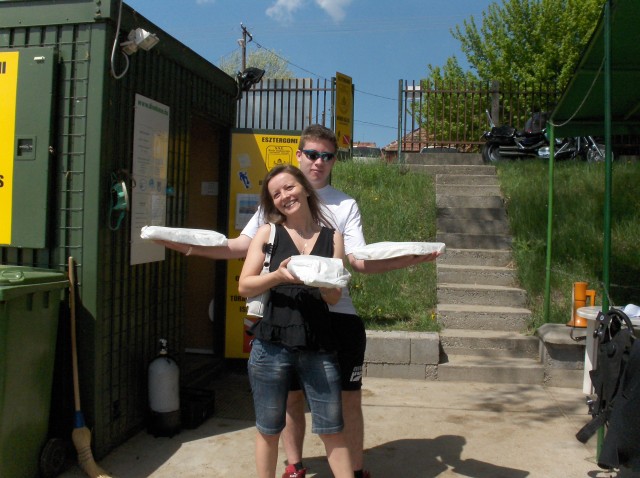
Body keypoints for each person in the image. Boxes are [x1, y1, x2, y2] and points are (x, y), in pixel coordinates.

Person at [156, 124, 440, 478]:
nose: (318, 162)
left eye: (327, 156)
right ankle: (294, 465)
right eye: (312, 154)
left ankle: (355, 470)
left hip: (337, 317)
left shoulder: (345, 205)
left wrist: (408, 259)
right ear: (299, 155)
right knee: (290, 399)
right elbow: (238, 247)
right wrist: (187, 246)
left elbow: (359, 261)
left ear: (334, 160)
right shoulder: (276, 201)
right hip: (284, 319)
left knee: (347, 400)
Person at [238, 164, 352, 478]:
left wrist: (324, 283)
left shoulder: (332, 237)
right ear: (273, 202)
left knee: (332, 429)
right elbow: (244, 285)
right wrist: (277, 276)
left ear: (304, 187)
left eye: (289, 187)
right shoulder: (268, 233)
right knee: (268, 429)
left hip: (318, 345)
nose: (285, 196)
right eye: (276, 194)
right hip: (270, 345)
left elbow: (333, 298)